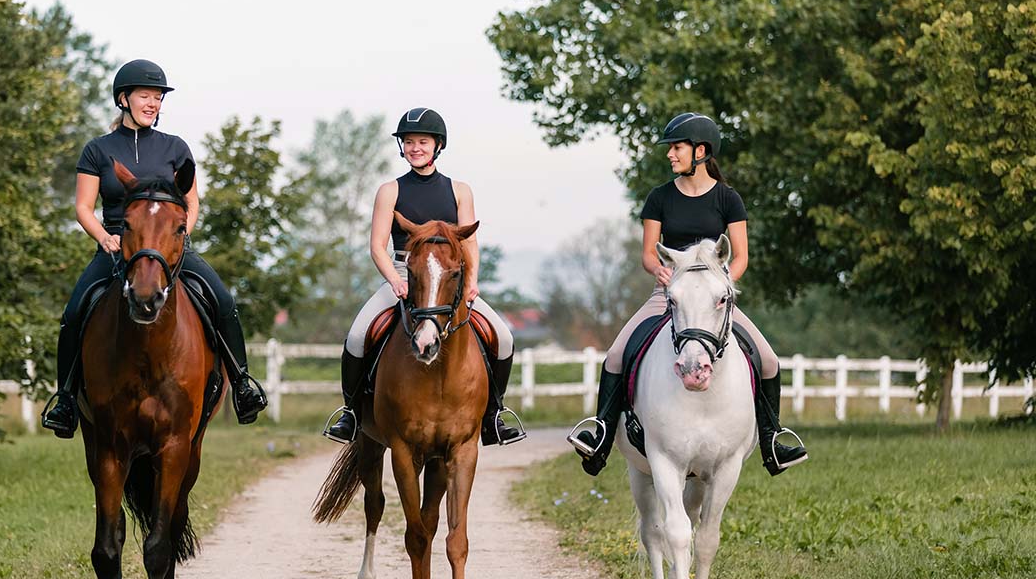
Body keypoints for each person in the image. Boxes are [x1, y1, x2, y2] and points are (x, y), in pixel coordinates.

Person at [570, 112, 808, 476]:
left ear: (700, 150)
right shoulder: (659, 197)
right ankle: (600, 436)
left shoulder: (728, 199)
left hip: (714, 297)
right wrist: (659, 270)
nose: (670, 155)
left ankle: (771, 439)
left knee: (770, 360)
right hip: (667, 291)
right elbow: (650, 252)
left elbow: (740, 255)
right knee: (615, 356)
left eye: (676, 148)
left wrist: (723, 284)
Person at [41, 59, 266, 437]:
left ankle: (242, 384)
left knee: (224, 301)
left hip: (170, 248)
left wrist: (180, 237)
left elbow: (192, 202)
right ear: (123, 99)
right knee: (74, 311)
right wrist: (104, 237)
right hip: (118, 245)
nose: (153, 103)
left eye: (158, 97)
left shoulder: (175, 148)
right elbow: (83, 207)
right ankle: (65, 399)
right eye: (145, 95)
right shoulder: (98, 150)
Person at [322, 107, 525, 446]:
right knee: (357, 336)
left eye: (423, 141)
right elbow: (377, 246)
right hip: (404, 271)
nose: (415, 147)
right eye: (409, 141)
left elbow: (470, 242)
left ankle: (493, 416)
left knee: (502, 338)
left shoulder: (459, 190)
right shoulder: (390, 190)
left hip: (449, 279)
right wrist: (395, 280)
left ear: (437, 146)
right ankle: (351, 413)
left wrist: (472, 281)